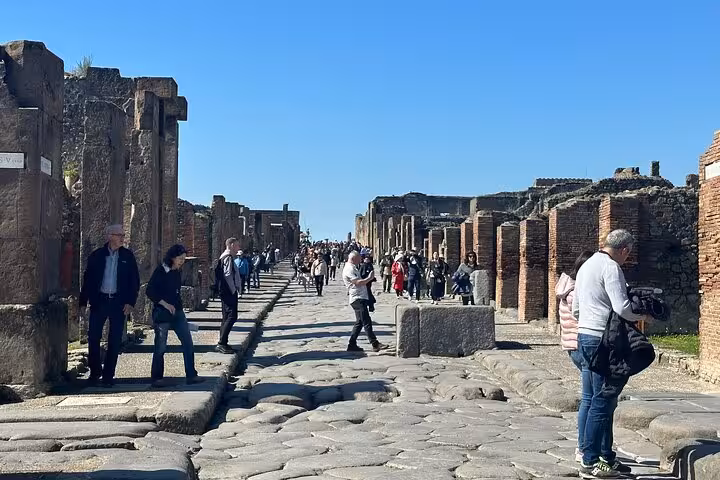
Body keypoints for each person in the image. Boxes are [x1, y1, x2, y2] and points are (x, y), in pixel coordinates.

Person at [573, 230, 650, 478]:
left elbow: (575, 307)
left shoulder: (586, 266)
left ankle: (605, 456)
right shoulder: (611, 267)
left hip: (585, 335)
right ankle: (591, 460)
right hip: (603, 340)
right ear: (625, 249)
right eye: (628, 253)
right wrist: (642, 316)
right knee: (602, 401)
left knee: (598, 399)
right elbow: (622, 307)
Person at [79, 224, 140, 387]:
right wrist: (83, 301)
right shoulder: (97, 256)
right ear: (109, 236)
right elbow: (88, 280)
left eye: (123, 235)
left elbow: (134, 281)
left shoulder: (128, 256)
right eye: (119, 235)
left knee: (114, 340)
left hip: (119, 303)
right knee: (93, 337)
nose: (122, 238)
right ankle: (95, 372)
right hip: (99, 301)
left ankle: (108, 376)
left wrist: (130, 302)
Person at [556, 250, 594, 463]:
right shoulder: (575, 291)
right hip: (582, 345)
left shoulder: (566, 286)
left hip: (572, 345)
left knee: (592, 397)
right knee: (591, 399)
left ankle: (591, 445)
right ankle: (584, 447)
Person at [146, 245, 202, 387]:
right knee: (161, 346)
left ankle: (191, 375)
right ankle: (157, 378)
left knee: (188, 343)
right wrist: (165, 304)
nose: (182, 261)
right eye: (180, 258)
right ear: (172, 257)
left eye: (184, 259)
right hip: (162, 313)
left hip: (178, 313)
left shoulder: (177, 271)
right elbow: (150, 291)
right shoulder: (161, 271)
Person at [343, 251, 388, 353]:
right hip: (357, 298)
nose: (361, 260)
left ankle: (352, 344)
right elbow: (357, 282)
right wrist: (369, 278)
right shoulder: (349, 269)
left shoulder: (354, 267)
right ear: (354, 258)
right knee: (366, 321)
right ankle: (375, 344)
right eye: (359, 258)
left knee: (359, 322)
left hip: (360, 297)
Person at [216, 238, 242, 354]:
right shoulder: (227, 257)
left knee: (226, 317)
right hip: (228, 292)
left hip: (225, 291)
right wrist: (233, 290)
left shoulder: (226, 257)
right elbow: (227, 275)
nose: (238, 248)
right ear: (231, 245)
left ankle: (224, 343)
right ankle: (221, 343)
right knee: (231, 316)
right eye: (237, 246)